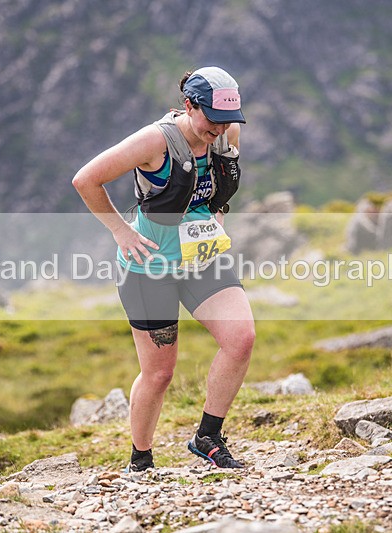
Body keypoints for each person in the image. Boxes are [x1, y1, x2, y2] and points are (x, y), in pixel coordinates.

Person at [72, 66, 255, 471]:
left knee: (240, 338)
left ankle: (207, 436)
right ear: (189, 106)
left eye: (228, 120)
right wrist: (121, 232)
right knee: (159, 374)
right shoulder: (155, 141)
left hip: (201, 258)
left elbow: (218, 187)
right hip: (148, 267)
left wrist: (217, 216)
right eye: (212, 118)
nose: (220, 128)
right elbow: (86, 179)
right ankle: (141, 460)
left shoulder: (226, 134)